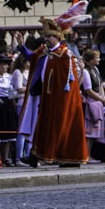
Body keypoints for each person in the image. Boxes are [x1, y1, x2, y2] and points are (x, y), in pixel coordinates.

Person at [18, 12, 88, 167]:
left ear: (57, 37)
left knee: (59, 128)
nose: (46, 38)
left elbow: (68, 83)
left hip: (59, 101)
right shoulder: (44, 52)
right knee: (42, 127)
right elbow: (32, 58)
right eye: (45, 36)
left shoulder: (65, 56)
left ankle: (66, 158)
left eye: (49, 36)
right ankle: (35, 156)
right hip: (44, 96)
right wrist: (21, 47)